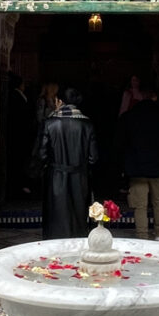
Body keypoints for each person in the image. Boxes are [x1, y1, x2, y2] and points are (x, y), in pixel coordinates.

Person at [39, 87, 98, 238]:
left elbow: (42, 154)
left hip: (56, 177)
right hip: (80, 177)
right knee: (78, 216)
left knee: (56, 217)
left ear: (60, 101)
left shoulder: (50, 123)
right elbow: (93, 158)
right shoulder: (87, 124)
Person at [116, 85, 159, 240]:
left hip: (137, 170)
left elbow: (120, 144)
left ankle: (142, 236)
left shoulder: (128, 116)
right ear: (154, 96)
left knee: (140, 206)